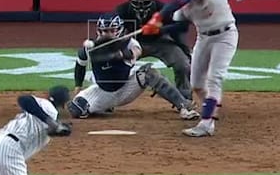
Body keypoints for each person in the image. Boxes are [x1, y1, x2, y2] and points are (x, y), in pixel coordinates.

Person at [142, 0, 239, 138]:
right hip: (203, 38)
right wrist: (157, 30)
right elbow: (181, 24)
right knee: (196, 84)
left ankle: (206, 123)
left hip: (225, 35)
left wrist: (158, 18)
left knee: (214, 78)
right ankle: (211, 108)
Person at [67, 14, 200, 120]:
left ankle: (184, 106)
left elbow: (133, 54)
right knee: (76, 109)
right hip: (102, 91)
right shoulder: (91, 48)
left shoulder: (131, 44)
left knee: (148, 72)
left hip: (126, 87)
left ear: (118, 30)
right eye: (103, 31)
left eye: (111, 31)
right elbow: (80, 66)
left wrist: (114, 52)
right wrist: (78, 87)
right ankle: (104, 107)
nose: (106, 34)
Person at [113, 0, 193, 101]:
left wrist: (159, 31)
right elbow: (115, 33)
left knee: (183, 64)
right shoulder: (122, 10)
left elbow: (181, 27)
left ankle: (185, 98)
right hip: (134, 43)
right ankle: (111, 97)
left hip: (160, 42)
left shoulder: (162, 8)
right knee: (114, 63)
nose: (140, 2)